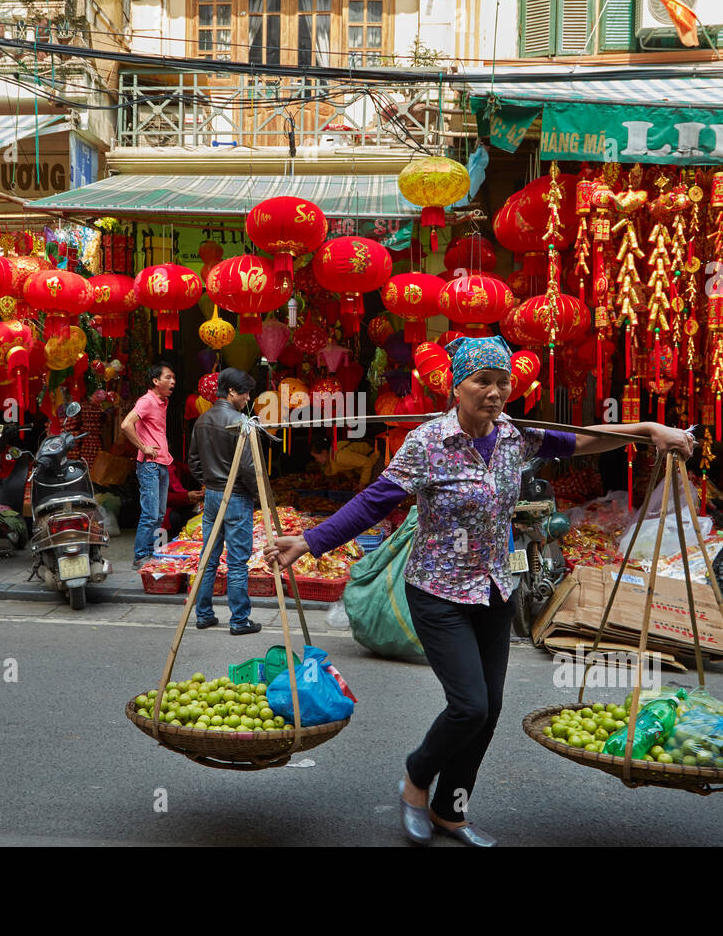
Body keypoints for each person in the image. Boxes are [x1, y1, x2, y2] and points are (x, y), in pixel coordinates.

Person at [266, 336, 693, 846]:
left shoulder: (516, 436)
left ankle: (452, 810)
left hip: (495, 590)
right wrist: (309, 540)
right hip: (438, 591)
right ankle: (417, 778)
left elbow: (584, 439)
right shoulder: (427, 443)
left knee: (488, 710)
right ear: (457, 386)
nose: (494, 392)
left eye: (503, 382)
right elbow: (374, 502)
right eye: (482, 381)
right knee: (468, 705)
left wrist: (646, 430)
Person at [188, 368, 262, 635]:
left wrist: (208, 480)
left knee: (209, 557)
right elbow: (248, 468)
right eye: (245, 392)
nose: (247, 398)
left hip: (213, 495)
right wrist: (257, 494)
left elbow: (194, 461)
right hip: (237, 497)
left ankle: (204, 614)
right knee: (237, 561)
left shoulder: (203, 419)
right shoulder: (241, 421)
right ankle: (239, 619)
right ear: (231, 391)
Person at [122, 362, 176, 570]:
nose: (172, 382)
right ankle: (140, 556)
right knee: (151, 514)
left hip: (161, 462)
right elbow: (126, 424)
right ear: (156, 381)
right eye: (168, 378)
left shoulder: (163, 401)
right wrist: (143, 447)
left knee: (159, 514)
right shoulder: (147, 400)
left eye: (173, 379)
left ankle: (150, 553)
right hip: (150, 465)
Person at [309, 433, 379, 489]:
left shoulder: (339, 456)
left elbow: (367, 463)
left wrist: (362, 483)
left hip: (376, 462)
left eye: (316, 457)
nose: (316, 460)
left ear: (324, 452)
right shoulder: (333, 458)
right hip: (370, 465)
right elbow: (345, 467)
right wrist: (352, 478)